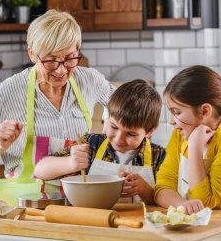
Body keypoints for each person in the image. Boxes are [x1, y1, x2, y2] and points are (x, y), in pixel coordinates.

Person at [0, 9, 116, 188]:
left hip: (80, 200)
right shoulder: (7, 92)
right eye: (51, 60)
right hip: (29, 204)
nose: (61, 70)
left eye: (69, 58)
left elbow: (126, 109)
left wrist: (112, 130)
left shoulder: (90, 81)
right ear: (32, 53)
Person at [34, 79, 166, 204]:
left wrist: (145, 190)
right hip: (94, 222)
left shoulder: (160, 156)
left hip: (137, 226)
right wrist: (70, 163)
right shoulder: (92, 144)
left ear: (149, 132)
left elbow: (167, 200)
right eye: (114, 127)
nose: (119, 139)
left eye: (131, 134)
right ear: (108, 117)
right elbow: (40, 170)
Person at [154, 65, 221, 214]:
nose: (171, 121)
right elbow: (161, 189)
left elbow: (205, 201)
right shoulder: (179, 137)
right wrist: (183, 205)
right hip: (194, 227)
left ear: (205, 111)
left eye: (177, 112)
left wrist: (194, 148)